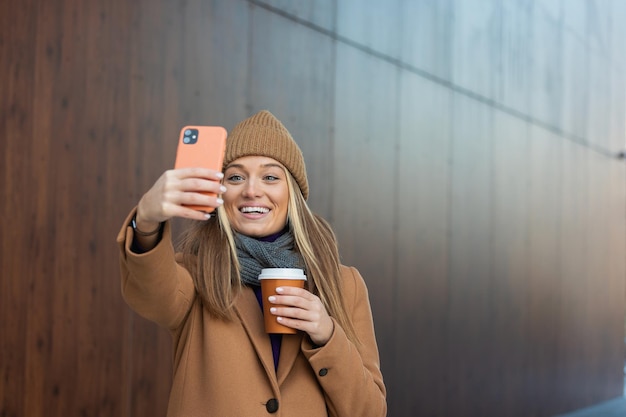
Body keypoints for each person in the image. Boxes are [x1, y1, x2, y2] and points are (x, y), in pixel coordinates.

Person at [117, 110, 386, 417]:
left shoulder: (344, 284)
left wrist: (327, 335)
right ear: (220, 192)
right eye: (235, 177)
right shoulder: (194, 276)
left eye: (270, 177)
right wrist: (147, 219)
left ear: (293, 194)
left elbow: (370, 411)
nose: (251, 190)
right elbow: (151, 292)